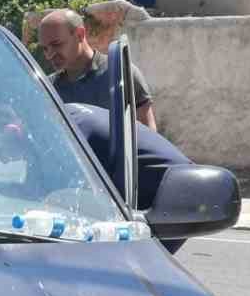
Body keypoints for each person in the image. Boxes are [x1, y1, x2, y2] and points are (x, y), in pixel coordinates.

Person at [62, 102, 193, 253]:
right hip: (140, 188)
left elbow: (58, 193)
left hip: (177, 195)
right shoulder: (67, 114)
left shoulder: (66, 127)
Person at [37, 8, 158, 130]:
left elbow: (149, 134)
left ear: (80, 34)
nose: (49, 55)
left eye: (56, 44)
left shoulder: (120, 72)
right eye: (45, 49)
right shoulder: (48, 88)